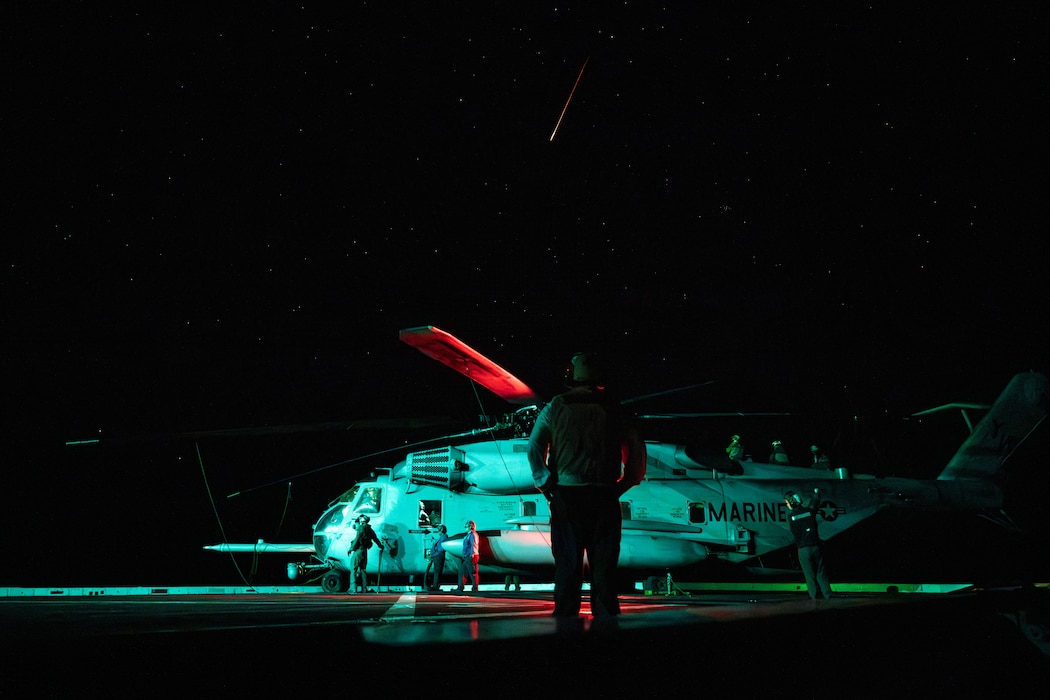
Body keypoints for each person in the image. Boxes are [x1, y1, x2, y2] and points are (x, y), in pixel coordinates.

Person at [527, 351, 647, 620]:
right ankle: (606, 625)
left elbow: (534, 448)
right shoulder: (616, 409)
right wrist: (620, 486)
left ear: (571, 373)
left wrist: (547, 487)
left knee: (567, 569)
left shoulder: (555, 407)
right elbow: (637, 457)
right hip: (604, 496)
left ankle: (565, 626)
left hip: (566, 497)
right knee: (604, 572)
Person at [784, 489, 832, 600]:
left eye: (787, 502)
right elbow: (814, 502)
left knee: (810, 576)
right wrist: (815, 493)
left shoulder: (791, 517)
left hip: (803, 550)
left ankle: (815, 599)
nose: (787, 505)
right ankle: (828, 597)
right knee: (821, 573)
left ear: (791, 502)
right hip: (815, 547)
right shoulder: (809, 511)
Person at [347, 514, 384, 594]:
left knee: (353, 569)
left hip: (358, 551)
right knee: (363, 570)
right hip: (365, 552)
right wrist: (381, 546)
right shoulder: (370, 530)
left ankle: (353, 589)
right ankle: (364, 589)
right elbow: (375, 539)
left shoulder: (361, 529)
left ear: (361, 521)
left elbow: (357, 539)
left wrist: (351, 548)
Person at [456, 520, 480, 593]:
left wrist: (472, 555)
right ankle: (460, 587)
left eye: (466, 526)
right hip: (467, 556)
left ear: (470, 526)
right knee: (463, 572)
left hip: (471, 556)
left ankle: (475, 588)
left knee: (472, 573)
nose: (465, 528)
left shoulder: (473, 535)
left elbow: (473, 545)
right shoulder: (469, 535)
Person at [426, 524, 448, 590]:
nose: (438, 531)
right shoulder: (441, 537)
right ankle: (435, 585)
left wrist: (435, 551)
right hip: (437, 556)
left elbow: (441, 547)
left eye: (439, 529)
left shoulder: (444, 536)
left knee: (437, 571)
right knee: (436, 571)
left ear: (441, 530)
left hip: (438, 556)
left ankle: (435, 586)